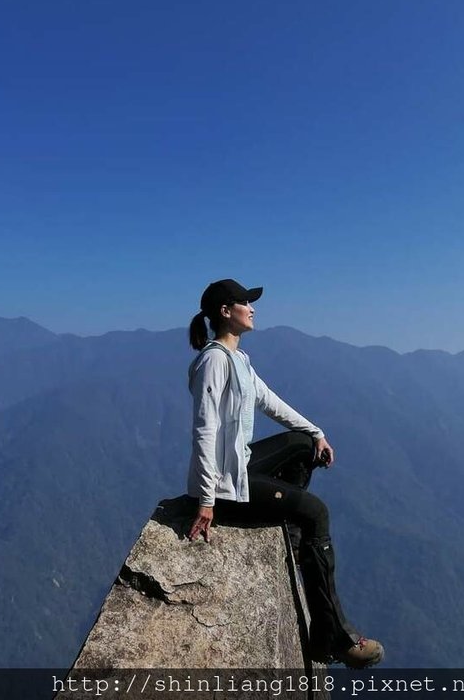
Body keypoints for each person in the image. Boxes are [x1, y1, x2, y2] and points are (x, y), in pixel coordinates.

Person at [186, 278, 384, 668]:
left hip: (238, 467)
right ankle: (335, 638)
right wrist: (206, 501)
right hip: (225, 488)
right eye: (245, 302)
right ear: (225, 312)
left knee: (299, 444)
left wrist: (316, 432)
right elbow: (204, 428)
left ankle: (290, 532)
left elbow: (269, 401)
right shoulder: (213, 361)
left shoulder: (238, 360)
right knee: (316, 512)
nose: (252, 308)